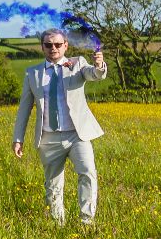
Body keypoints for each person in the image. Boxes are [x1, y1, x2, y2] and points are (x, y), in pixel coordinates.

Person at [12, 28, 108, 226]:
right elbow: (24, 108)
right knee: (53, 184)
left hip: (77, 135)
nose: (53, 48)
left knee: (88, 173)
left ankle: (87, 222)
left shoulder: (78, 64)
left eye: (57, 44)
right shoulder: (33, 73)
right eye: (48, 45)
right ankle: (58, 225)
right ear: (42, 47)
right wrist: (18, 138)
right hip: (48, 138)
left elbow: (94, 75)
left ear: (66, 45)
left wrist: (99, 65)